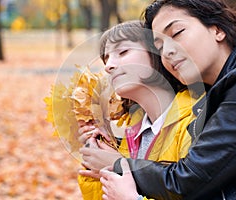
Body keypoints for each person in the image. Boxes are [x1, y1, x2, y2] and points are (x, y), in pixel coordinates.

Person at [99, 0, 236, 200]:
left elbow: (190, 178)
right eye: (159, 47)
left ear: (217, 29)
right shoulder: (213, 93)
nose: (167, 51)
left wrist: (118, 164)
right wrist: (109, 144)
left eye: (177, 33)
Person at [77, 20, 200, 200]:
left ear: (158, 53)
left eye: (123, 51)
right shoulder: (131, 133)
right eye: (106, 58)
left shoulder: (196, 120)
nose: (108, 66)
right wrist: (99, 159)